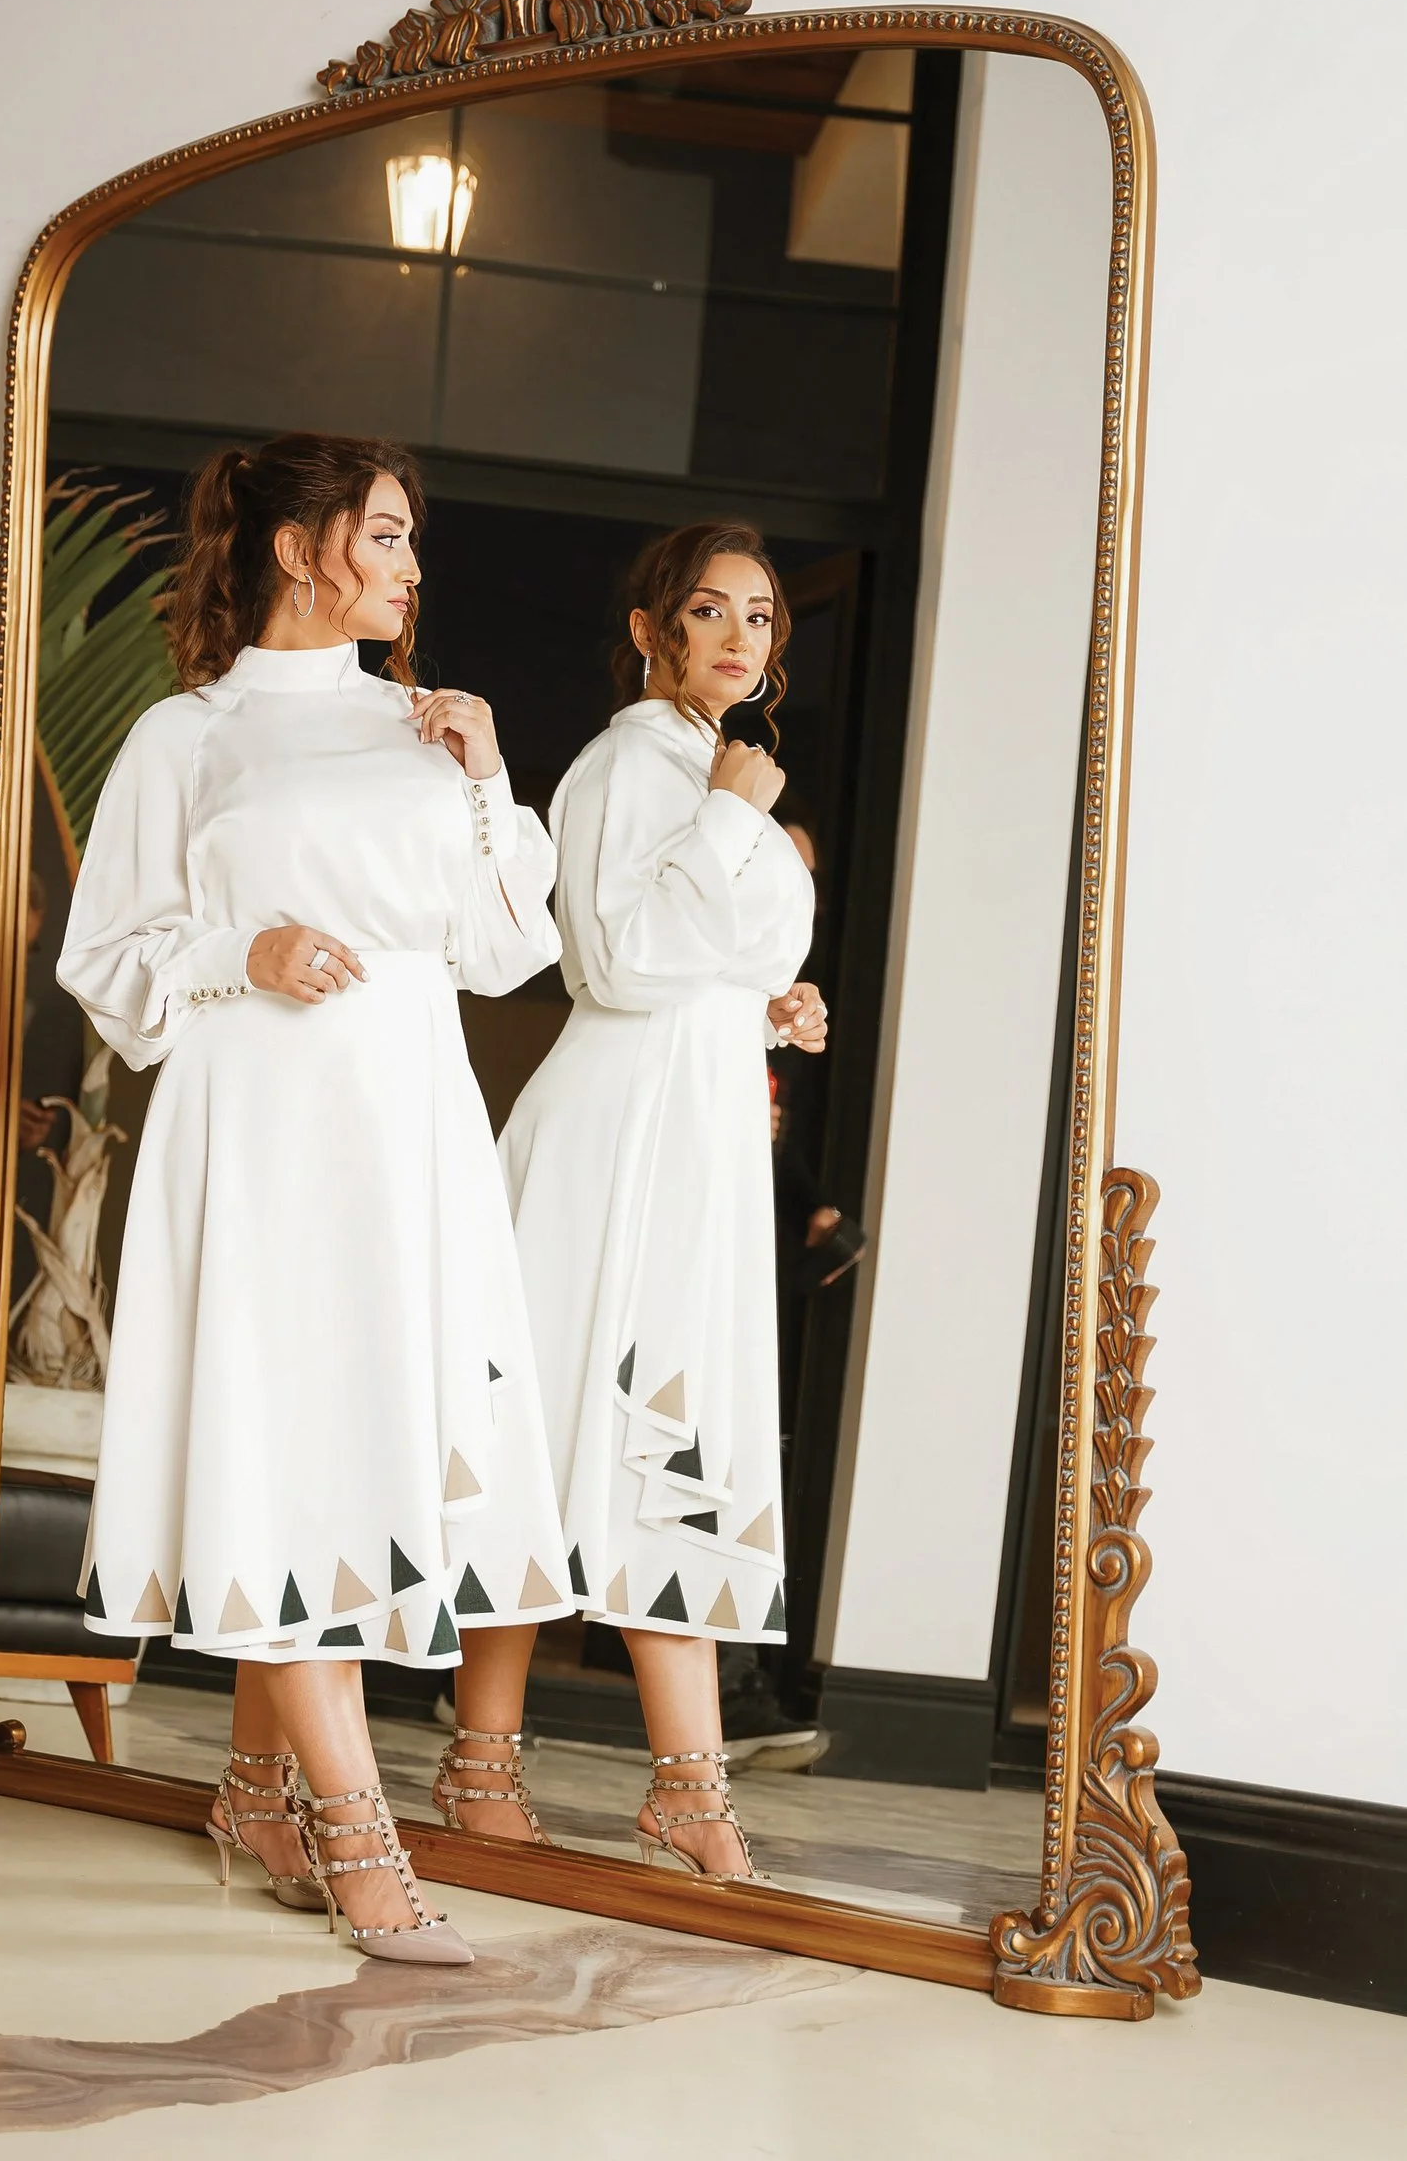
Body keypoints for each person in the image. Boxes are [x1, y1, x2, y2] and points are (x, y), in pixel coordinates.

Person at [56, 433, 571, 1963]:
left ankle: (259, 1796)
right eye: (389, 536)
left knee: (374, 1426)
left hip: (408, 1105)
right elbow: (111, 963)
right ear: (300, 548)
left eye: (412, 544)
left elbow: (505, 947)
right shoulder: (184, 738)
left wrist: (483, 777)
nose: (412, 571)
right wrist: (242, 953)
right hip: (259, 1108)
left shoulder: (424, 728)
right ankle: (358, 1849)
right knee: (290, 1426)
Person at [447, 521, 828, 1882]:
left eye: (762, 617)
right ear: (652, 629)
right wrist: (731, 817)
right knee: (550, 1427)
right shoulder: (627, 765)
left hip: (704, 1132)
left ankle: (687, 1787)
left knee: (685, 1432)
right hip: (613, 1133)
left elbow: (718, 954)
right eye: (711, 612)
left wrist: (781, 1006)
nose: (740, 636)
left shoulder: (722, 767)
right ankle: (484, 1760)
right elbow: (609, 964)